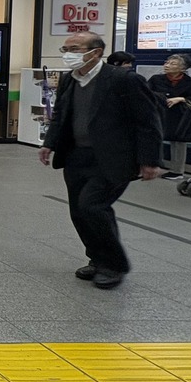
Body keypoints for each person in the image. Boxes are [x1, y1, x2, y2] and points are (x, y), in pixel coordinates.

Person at [38, 31, 162, 289]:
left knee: (92, 206)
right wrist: (49, 143)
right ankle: (97, 259)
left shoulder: (123, 80)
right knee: (78, 212)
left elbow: (148, 121)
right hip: (76, 155)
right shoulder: (70, 79)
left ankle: (115, 265)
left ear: (95, 52)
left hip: (112, 158)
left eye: (75, 48)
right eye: (65, 49)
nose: (68, 54)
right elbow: (61, 114)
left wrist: (149, 160)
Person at [148, 53, 191, 181]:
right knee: (154, 138)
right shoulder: (156, 79)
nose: (167, 65)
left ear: (183, 68)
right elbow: (146, 93)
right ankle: (152, 166)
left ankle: (177, 171)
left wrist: (181, 98)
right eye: (167, 63)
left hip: (180, 116)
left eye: (172, 64)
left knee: (179, 142)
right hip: (159, 113)